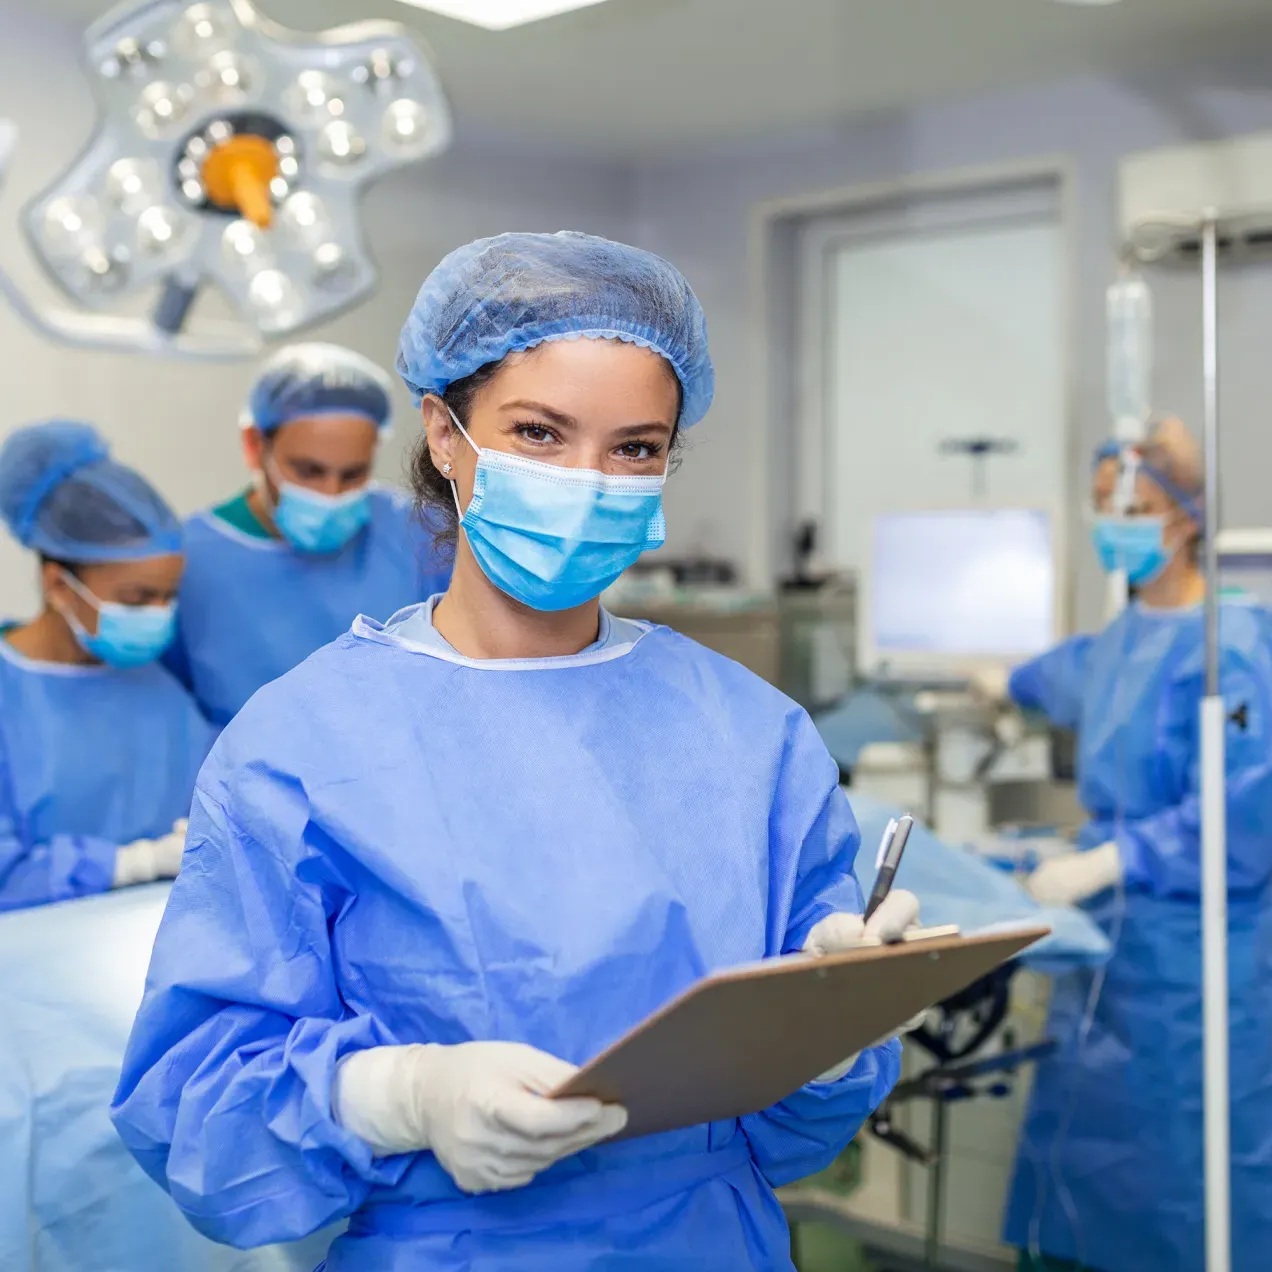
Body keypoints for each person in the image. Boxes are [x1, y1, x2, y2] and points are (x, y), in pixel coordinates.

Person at [112, 231, 919, 1270]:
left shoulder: (751, 735)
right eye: (539, 434)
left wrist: (835, 1030)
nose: (588, 482)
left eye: (634, 448)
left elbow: (798, 1137)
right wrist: (399, 1096)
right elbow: (197, 1112)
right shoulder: (301, 744)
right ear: (445, 436)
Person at [1001, 419, 1272, 1272]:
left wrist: (1111, 859)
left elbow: (1247, 807)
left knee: (1189, 1170)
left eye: (1138, 508)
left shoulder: (1237, 650)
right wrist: (987, 678)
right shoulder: (1119, 639)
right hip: (1108, 951)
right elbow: (1051, 678)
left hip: (1198, 965)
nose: (1114, 526)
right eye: (1101, 508)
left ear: (1187, 517)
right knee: (1093, 1154)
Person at [164, 342, 452, 726]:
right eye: (309, 471)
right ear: (254, 446)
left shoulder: (417, 531)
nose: (331, 494)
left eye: (352, 474)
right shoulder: (188, 560)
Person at [0, 421, 215, 914]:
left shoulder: (159, 691)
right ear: (58, 585)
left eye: (168, 596)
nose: (159, 614)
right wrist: (136, 863)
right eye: (137, 599)